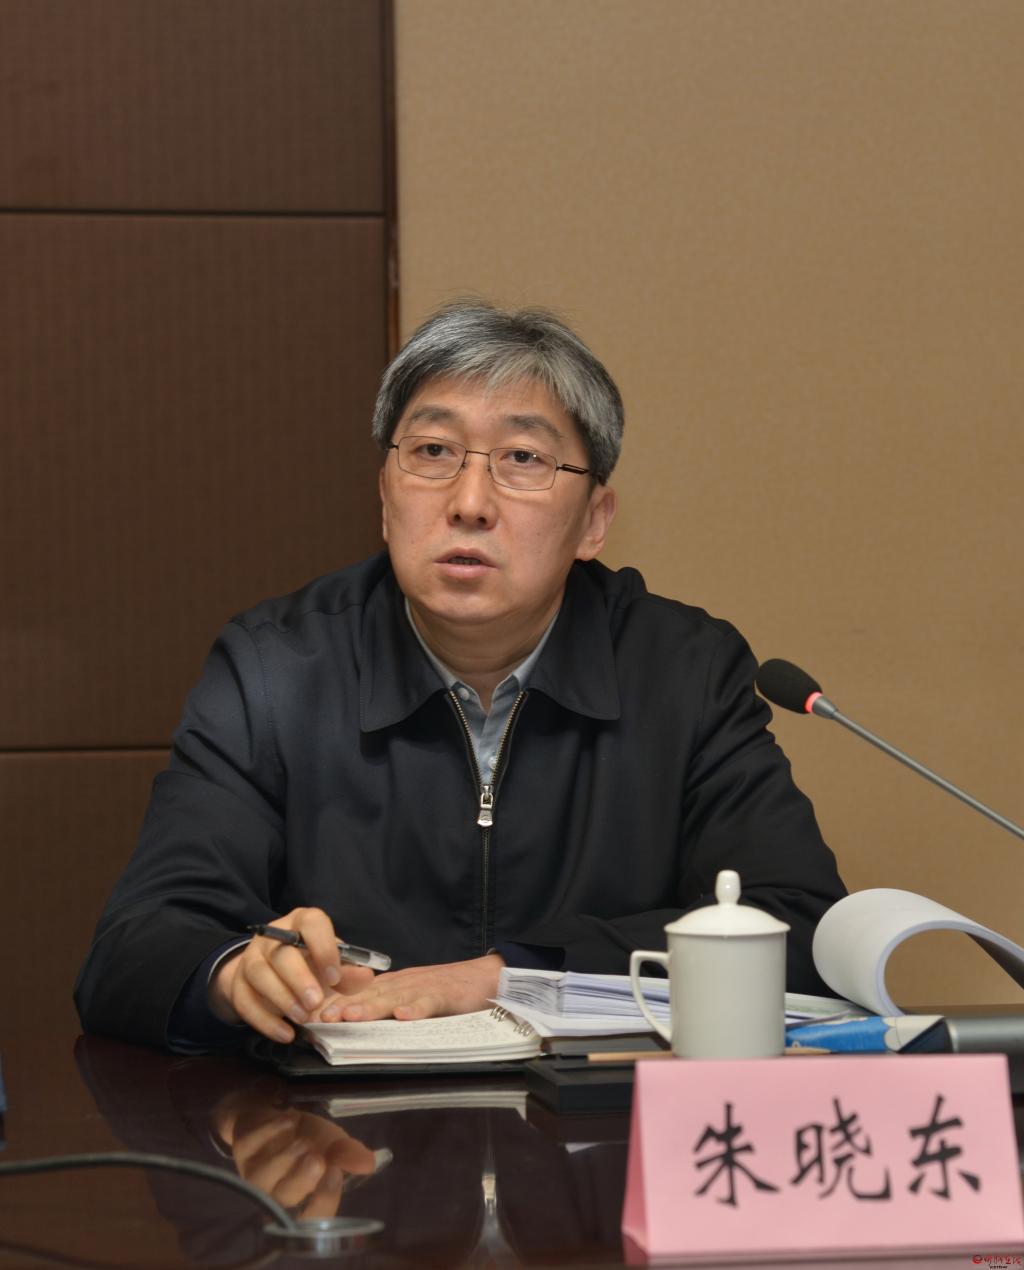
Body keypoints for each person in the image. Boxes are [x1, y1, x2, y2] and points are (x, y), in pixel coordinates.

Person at [75, 301, 846, 1052]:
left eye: (523, 460)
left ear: (594, 521)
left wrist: (508, 978)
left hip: (597, 1129)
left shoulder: (683, 673)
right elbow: (134, 950)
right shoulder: (275, 670)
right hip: (333, 1130)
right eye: (433, 453)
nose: (469, 503)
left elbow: (807, 934)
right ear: (385, 497)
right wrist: (233, 976)